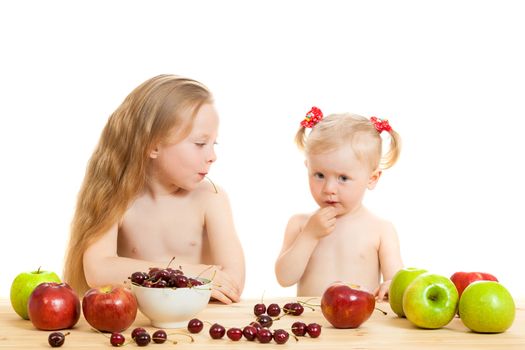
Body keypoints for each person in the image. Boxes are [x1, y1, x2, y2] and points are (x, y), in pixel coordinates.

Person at [63, 74, 245, 304]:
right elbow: (98, 270)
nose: (212, 157)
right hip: (136, 328)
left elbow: (233, 281)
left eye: (213, 144)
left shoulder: (211, 199)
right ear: (154, 145)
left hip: (197, 325)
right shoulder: (118, 198)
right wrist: (189, 274)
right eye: (200, 144)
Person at [275, 107, 403, 300]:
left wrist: (391, 285)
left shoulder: (381, 230)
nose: (329, 188)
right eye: (319, 175)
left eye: (343, 178)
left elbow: (396, 282)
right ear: (307, 168)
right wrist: (309, 235)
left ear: (372, 178)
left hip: (360, 326)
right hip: (311, 326)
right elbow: (284, 278)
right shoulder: (300, 225)